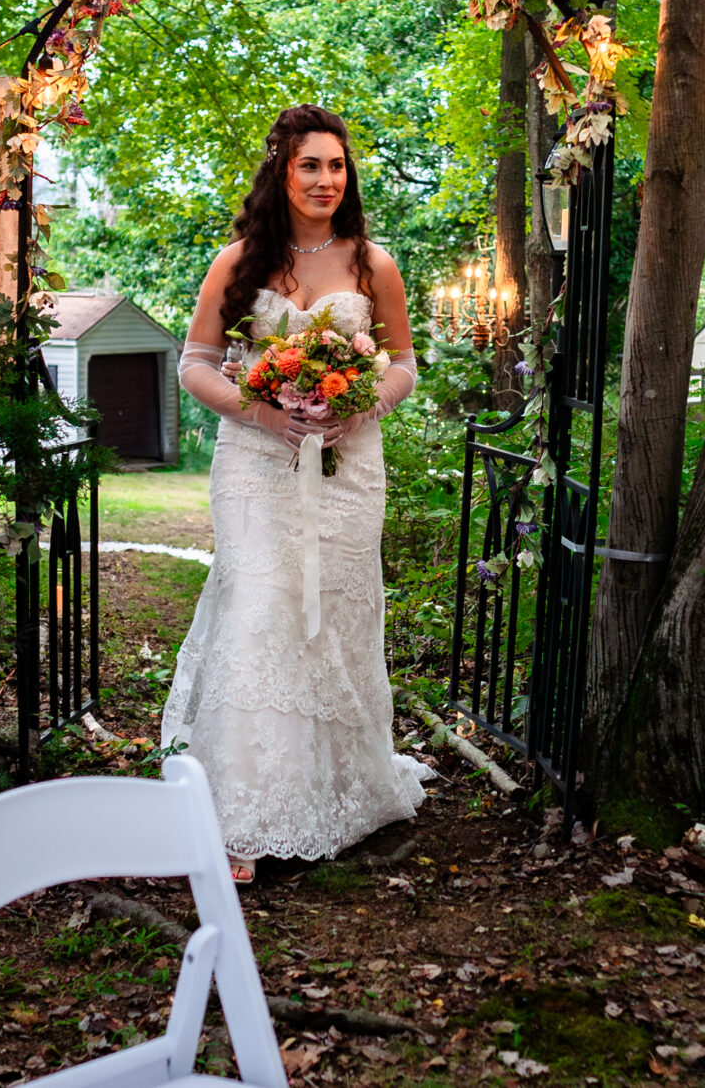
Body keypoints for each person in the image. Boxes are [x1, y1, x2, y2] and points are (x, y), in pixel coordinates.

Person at [165, 105, 432, 880]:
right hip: (256, 464)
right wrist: (263, 411)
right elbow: (194, 364)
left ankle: (333, 792)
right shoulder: (237, 262)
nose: (325, 179)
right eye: (310, 164)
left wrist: (358, 407)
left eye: (337, 165)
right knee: (260, 608)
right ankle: (242, 815)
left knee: (332, 622)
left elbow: (404, 364)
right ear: (281, 172)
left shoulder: (373, 264)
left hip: (348, 467)